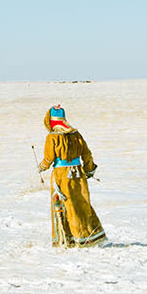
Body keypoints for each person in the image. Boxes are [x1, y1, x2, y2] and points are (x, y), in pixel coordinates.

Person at [39, 106, 107, 248]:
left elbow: (49, 157)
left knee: (65, 204)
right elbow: (87, 154)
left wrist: (41, 167)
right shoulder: (76, 134)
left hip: (61, 176)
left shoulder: (52, 137)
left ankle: (68, 239)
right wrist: (89, 170)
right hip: (78, 173)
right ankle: (88, 236)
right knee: (81, 203)